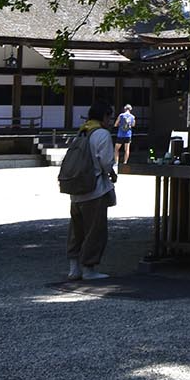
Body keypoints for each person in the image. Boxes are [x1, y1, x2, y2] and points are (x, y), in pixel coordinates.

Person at [64, 99, 118, 280]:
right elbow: (106, 162)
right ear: (104, 116)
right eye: (109, 117)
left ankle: (74, 268)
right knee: (95, 230)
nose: (110, 121)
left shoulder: (82, 131)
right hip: (94, 189)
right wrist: (111, 172)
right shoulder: (102, 134)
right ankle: (89, 268)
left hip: (75, 188)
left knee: (77, 230)